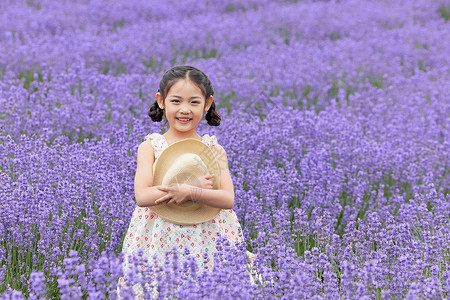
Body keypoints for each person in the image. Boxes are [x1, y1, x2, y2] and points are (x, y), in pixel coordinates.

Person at [117, 66, 256, 299]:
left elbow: (227, 198)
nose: (184, 110)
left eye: (194, 102)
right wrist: (189, 185)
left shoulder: (215, 149)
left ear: (207, 103)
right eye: (176, 101)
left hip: (208, 236)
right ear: (161, 101)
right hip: (160, 237)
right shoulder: (150, 147)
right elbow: (142, 196)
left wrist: (193, 192)